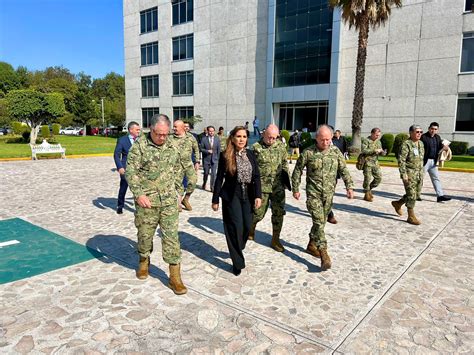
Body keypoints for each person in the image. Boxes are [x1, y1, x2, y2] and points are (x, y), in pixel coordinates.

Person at [125, 114, 188, 295]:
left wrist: (178, 193)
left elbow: (178, 169)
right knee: (145, 236)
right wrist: (139, 194)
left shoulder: (172, 146)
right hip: (147, 202)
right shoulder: (140, 146)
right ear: (151, 130)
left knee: (171, 238)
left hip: (168, 202)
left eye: (165, 134)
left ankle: (175, 277)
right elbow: (131, 172)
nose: (162, 138)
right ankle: (144, 260)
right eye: (158, 134)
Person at [292, 125, 354, 271]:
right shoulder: (308, 152)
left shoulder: (335, 152)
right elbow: (297, 171)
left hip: (329, 195)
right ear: (316, 139)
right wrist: (295, 189)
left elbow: (344, 170)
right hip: (313, 194)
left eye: (328, 139)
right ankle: (324, 253)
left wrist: (349, 186)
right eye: (322, 140)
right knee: (319, 222)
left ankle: (311, 245)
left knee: (321, 222)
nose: (325, 143)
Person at [212, 126, 262, 275]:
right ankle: (237, 262)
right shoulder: (225, 155)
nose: (242, 139)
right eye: (239, 136)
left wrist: (258, 195)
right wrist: (215, 199)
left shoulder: (251, 155)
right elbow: (219, 178)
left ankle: (237, 247)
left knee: (247, 226)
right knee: (235, 227)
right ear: (233, 138)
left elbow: (257, 177)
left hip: (248, 194)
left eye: (244, 137)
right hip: (232, 195)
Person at [250, 124, 289, 252]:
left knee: (278, 213)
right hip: (262, 187)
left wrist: (286, 179)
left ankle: (275, 239)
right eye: (269, 137)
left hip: (278, 187)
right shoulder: (256, 147)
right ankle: (251, 228)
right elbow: (252, 169)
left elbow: (284, 163)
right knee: (258, 214)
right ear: (263, 134)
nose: (271, 140)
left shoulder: (281, 147)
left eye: (274, 138)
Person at [391, 124, 424, 225]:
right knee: (412, 194)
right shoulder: (406, 144)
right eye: (417, 132)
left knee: (416, 194)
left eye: (420, 132)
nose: (419, 134)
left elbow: (421, 159)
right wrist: (403, 174)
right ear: (411, 133)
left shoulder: (421, 144)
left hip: (419, 173)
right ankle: (411, 216)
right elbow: (401, 160)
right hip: (409, 173)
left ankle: (398, 203)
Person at [170, 120, 200, 211]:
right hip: (176, 165)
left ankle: (186, 199)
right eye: (173, 126)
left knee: (193, 181)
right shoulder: (170, 138)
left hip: (188, 164)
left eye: (176, 127)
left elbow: (196, 149)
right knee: (178, 185)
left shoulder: (190, 137)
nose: (173, 128)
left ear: (182, 128)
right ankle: (178, 204)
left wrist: (197, 161)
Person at [113, 121, 141, 214]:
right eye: (137, 129)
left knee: (139, 187)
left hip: (139, 168)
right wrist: (119, 167)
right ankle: (120, 205)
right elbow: (117, 155)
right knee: (123, 187)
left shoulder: (141, 139)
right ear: (131, 130)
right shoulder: (122, 140)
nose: (139, 131)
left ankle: (139, 207)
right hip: (126, 168)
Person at [421, 122, 451, 203]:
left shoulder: (437, 137)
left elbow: (439, 147)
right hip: (424, 162)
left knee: (436, 178)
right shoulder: (423, 137)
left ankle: (440, 196)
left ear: (437, 130)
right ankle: (416, 195)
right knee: (420, 179)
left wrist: (444, 148)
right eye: (432, 129)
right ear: (429, 128)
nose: (433, 130)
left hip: (433, 162)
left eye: (435, 129)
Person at [360, 128, 385, 202]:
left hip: (375, 162)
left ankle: (369, 188)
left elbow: (380, 150)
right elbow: (364, 150)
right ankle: (367, 193)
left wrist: (382, 152)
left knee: (378, 178)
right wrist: (374, 151)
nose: (378, 137)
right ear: (372, 133)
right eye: (376, 135)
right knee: (367, 178)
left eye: (379, 135)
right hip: (367, 162)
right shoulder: (366, 140)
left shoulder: (378, 142)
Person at [200, 125, 221, 192]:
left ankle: (212, 187)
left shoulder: (217, 139)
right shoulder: (204, 139)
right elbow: (201, 148)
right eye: (210, 131)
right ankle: (204, 183)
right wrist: (207, 151)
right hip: (206, 159)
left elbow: (218, 149)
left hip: (214, 159)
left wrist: (218, 158)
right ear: (208, 131)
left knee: (213, 174)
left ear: (214, 131)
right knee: (206, 173)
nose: (211, 132)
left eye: (212, 131)